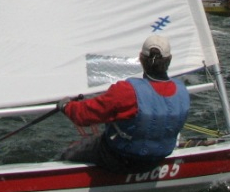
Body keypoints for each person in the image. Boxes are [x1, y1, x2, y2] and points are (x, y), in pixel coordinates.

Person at [57, 34, 190, 173]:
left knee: (68, 153)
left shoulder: (126, 91)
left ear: (141, 59)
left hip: (120, 159)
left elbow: (84, 115)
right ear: (169, 60)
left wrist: (66, 106)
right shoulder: (182, 91)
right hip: (156, 160)